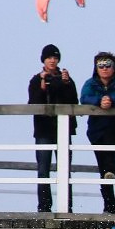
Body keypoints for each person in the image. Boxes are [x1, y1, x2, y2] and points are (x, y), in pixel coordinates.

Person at [80, 51, 115, 214]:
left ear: (114, 67)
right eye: (100, 65)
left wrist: (111, 101)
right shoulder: (90, 83)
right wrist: (99, 101)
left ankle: (110, 202)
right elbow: (84, 98)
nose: (104, 69)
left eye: (107, 65)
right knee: (103, 166)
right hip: (97, 130)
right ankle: (110, 204)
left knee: (107, 159)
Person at [28, 44, 78, 212]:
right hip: (43, 129)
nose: (52, 61)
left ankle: (67, 207)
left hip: (63, 130)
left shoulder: (66, 79)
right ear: (43, 60)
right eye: (49, 57)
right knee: (43, 169)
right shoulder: (36, 79)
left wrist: (66, 83)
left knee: (65, 170)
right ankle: (44, 206)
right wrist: (42, 84)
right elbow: (33, 104)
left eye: (55, 58)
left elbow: (73, 102)